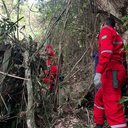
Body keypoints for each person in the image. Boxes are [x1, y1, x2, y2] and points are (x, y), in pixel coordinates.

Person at [93, 17, 127, 128]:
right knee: (100, 98)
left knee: (113, 109)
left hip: (112, 73)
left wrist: (98, 73)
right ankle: (99, 124)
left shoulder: (106, 30)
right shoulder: (116, 35)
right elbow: (123, 58)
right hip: (117, 72)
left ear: (103, 24)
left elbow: (106, 52)